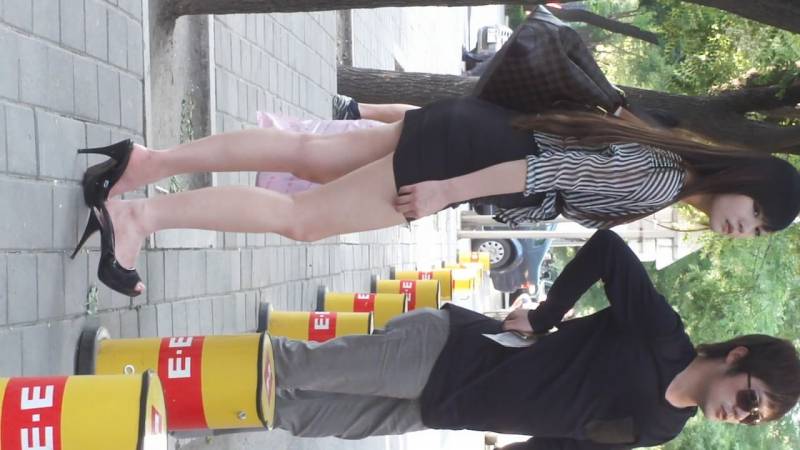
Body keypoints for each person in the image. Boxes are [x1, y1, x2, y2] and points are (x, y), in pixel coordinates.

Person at [71, 94, 800, 295]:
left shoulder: (667, 147)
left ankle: (145, 163)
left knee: (303, 153)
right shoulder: (664, 179)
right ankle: (137, 217)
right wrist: (449, 190)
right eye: (758, 214)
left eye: (760, 232)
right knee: (301, 219)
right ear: (746, 181)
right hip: (469, 160)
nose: (747, 230)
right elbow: (543, 173)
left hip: (471, 129)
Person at [267, 230, 800, 448]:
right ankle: (214, 367)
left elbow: (564, 442)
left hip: (445, 409)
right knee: (292, 366)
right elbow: (608, 249)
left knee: (295, 416)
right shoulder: (661, 334)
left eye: (753, 419)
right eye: (750, 400)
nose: (741, 415)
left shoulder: (662, 428)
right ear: (737, 357)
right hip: (446, 352)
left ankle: (215, 410)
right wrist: (545, 318)